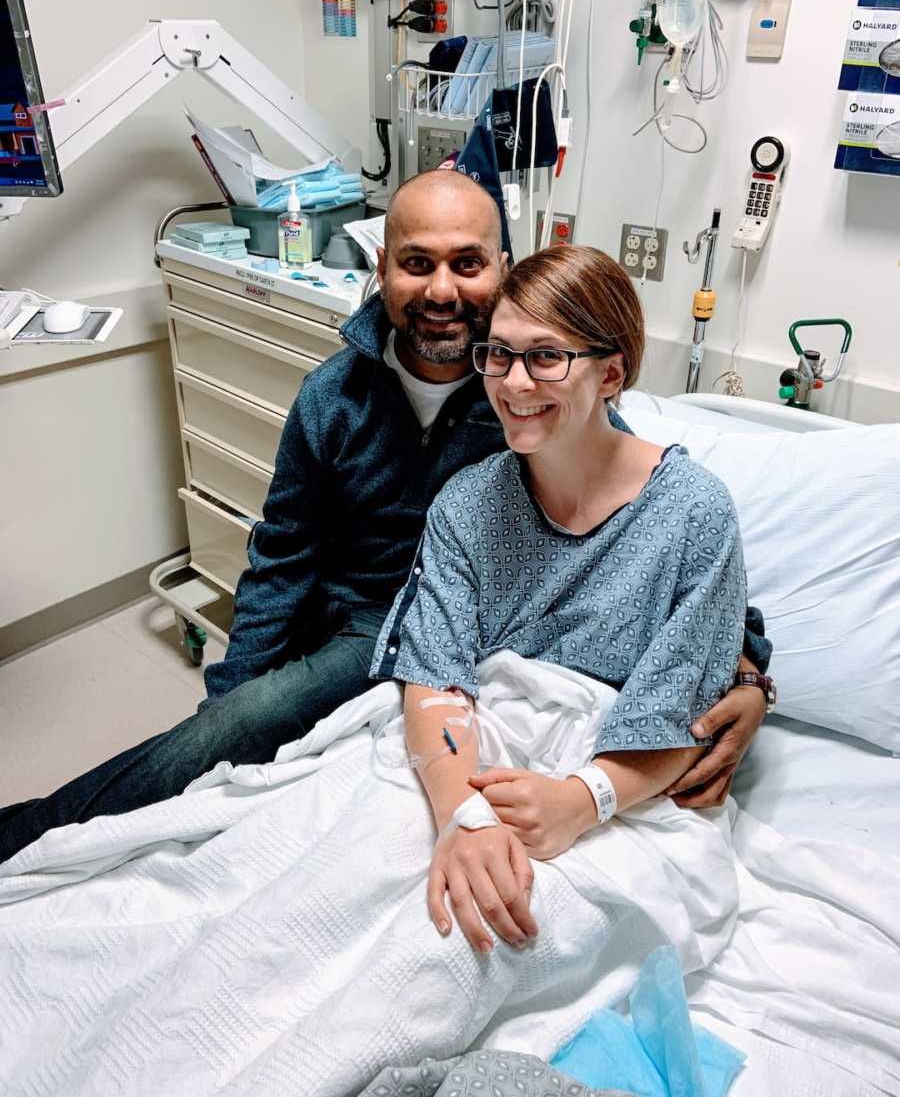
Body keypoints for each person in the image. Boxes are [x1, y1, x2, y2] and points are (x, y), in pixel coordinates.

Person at [0, 171, 769, 864]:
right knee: (222, 736)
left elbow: (647, 525)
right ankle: (32, 837)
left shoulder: (529, 387)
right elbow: (281, 558)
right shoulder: (334, 399)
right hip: (361, 616)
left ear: (503, 269)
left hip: (467, 623)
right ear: (381, 271)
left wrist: (748, 673)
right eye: (417, 262)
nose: (441, 290)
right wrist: (233, 699)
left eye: (467, 263)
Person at [372, 243, 750, 952]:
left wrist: (585, 801)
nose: (514, 384)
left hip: (617, 776)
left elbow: (686, 710)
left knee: (458, 944)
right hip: (469, 758)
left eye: (546, 357)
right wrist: (463, 818)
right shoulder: (470, 502)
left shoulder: (693, 515)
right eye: (500, 355)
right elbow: (434, 673)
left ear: (611, 372)